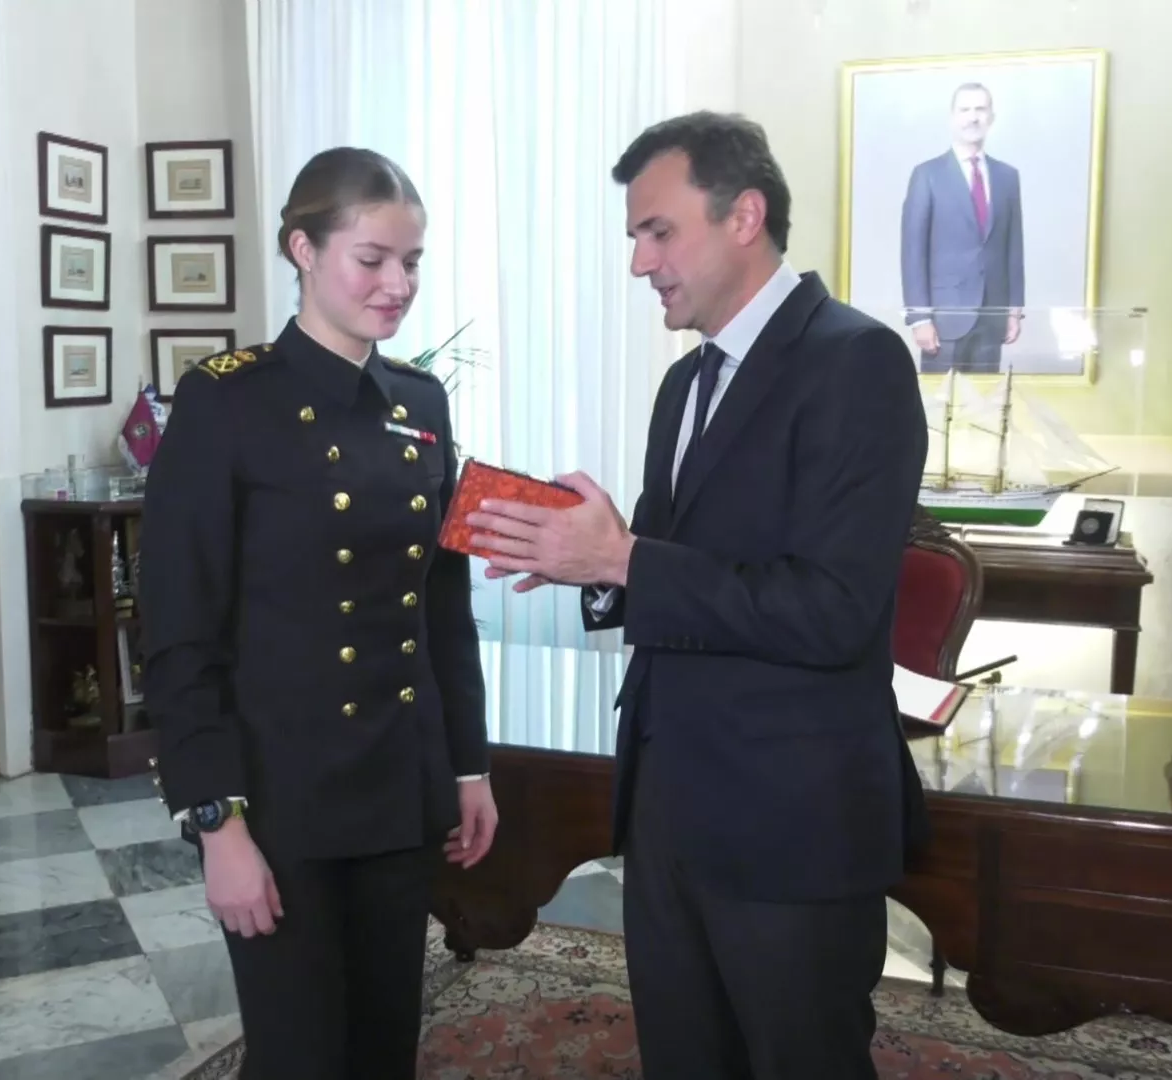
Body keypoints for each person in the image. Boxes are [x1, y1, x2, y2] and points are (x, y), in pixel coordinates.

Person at [466, 111, 931, 1079]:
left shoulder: (859, 363)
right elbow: (668, 573)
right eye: (635, 235)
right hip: (668, 811)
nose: (640, 261)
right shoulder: (686, 387)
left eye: (658, 231)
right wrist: (582, 562)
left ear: (744, 215)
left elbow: (834, 610)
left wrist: (625, 560)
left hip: (790, 827)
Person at [137, 146, 498, 1080]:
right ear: (303, 248)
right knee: (299, 1056)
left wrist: (467, 764)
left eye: (412, 262)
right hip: (281, 802)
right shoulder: (227, 401)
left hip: (397, 785)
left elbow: (440, 605)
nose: (398, 285)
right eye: (372, 259)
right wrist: (217, 825)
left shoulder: (419, 404)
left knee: (384, 1048)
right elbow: (179, 632)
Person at [900, 81, 1025, 374]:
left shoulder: (1007, 177)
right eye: (965, 109)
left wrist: (1014, 310)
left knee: (984, 412)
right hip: (944, 321)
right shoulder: (927, 175)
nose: (973, 117)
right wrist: (920, 318)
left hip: (991, 318)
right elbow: (912, 252)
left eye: (980, 109)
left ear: (991, 118)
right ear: (952, 117)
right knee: (938, 412)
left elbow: (1014, 247)